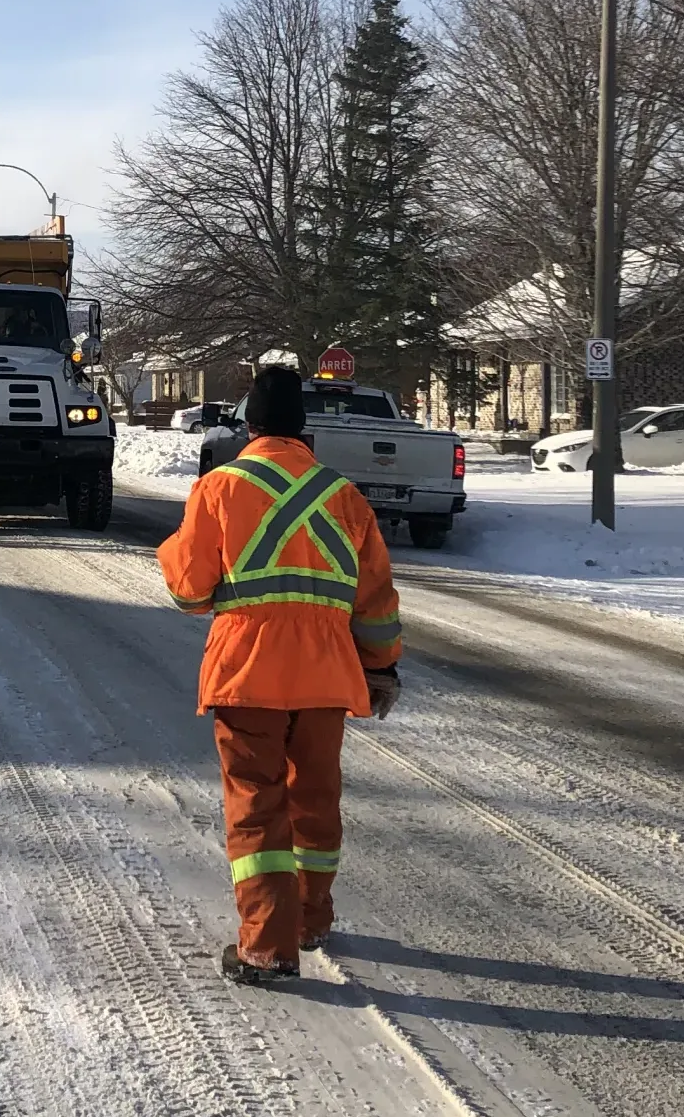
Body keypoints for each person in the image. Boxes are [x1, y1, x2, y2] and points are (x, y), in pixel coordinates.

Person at [156, 365, 403, 985]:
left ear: (249, 424)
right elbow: (375, 601)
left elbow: (190, 593)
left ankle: (266, 945)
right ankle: (311, 920)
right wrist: (382, 668)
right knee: (315, 798)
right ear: (302, 426)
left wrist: (173, 555)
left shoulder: (220, 487)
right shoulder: (342, 495)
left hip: (249, 673)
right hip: (327, 676)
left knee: (257, 805)